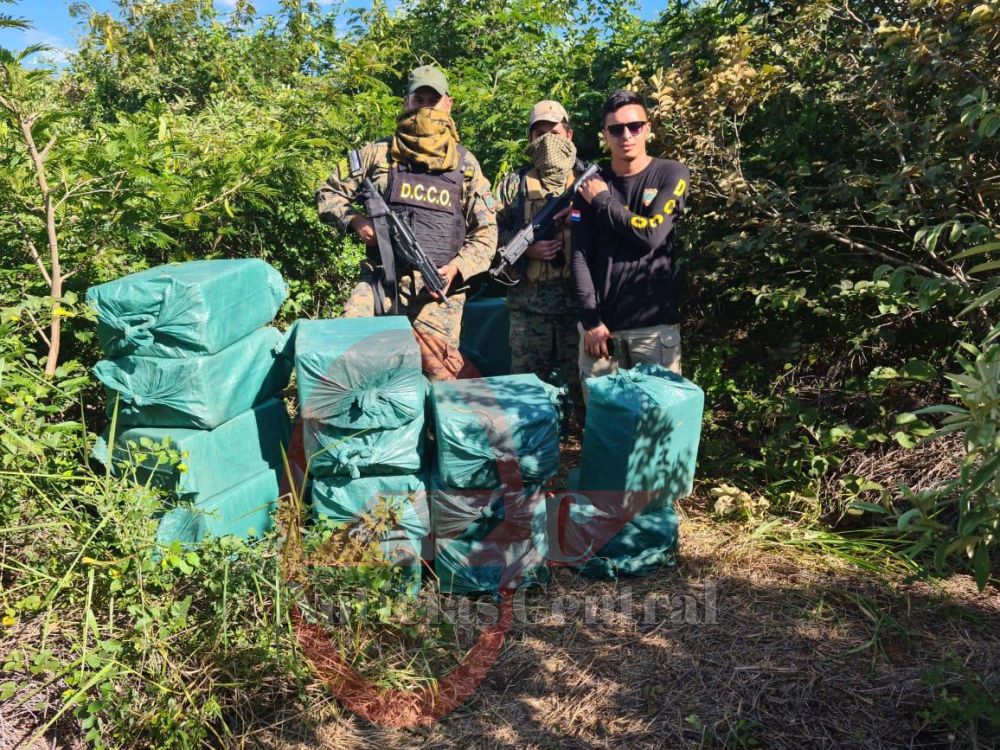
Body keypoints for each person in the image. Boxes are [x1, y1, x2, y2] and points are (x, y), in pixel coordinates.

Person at [316, 65, 498, 380]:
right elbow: (328, 193)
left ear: (448, 104)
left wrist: (457, 267)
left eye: (434, 99)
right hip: (381, 282)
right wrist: (355, 220)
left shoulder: (465, 164)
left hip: (439, 294)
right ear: (406, 102)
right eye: (419, 98)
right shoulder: (377, 154)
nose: (426, 106)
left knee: (437, 377)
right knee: (350, 353)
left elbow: (486, 233)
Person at [571, 90, 690, 399]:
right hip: (601, 333)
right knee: (604, 430)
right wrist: (591, 321)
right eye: (616, 128)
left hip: (653, 330)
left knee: (658, 431)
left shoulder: (671, 173)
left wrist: (603, 201)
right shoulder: (588, 186)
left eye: (634, 126)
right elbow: (580, 257)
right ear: (605, 135)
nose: (626, 134)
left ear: (647, 128)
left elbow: (651, 234)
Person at [494, 100, 584, 417]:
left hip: (579, 309)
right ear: (530, 140)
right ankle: (530, 460)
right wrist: (525, 249)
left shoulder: (588, 182)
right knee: (525, 397)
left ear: (569, 135)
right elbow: (485, 234)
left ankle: (589, 457)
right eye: (539, 133)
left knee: (585, 392)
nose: (547, 140)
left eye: (554, 131)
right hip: (529, 310)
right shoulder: (512, 186)